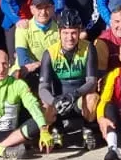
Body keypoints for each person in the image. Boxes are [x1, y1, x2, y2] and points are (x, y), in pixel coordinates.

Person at [39, 13, 102, 151]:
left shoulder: (88, 48)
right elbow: (43, 88)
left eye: (73, 33)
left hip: (79, 98)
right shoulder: (49, 53)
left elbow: (92, 81)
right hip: (59, 99)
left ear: (79, 32)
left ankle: (87, 129)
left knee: (92, 98)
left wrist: (75, 94)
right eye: (65, 33)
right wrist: (54, 101)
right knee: (44, 103)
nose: (70, 37)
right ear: (59, 33)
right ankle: (56, 128)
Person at [14, 0, 61, 87]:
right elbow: (23, 60)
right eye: (39, 8)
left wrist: (39, 64)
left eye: (47, 7)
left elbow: (61, 59)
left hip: (48, 71)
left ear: (53, 9)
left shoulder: (60, 29)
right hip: (26, 70)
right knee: (19, 73)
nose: (43, 12)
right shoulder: (23, 27)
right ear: (32, 9)